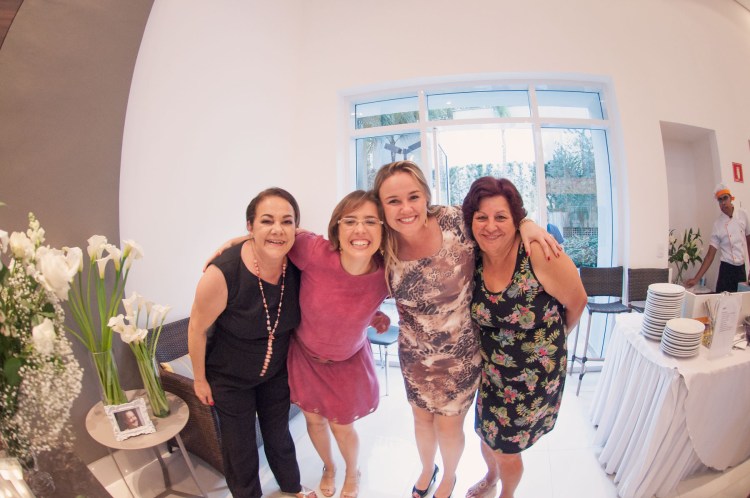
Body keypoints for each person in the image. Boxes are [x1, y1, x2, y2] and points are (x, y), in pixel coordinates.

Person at [372, 161, 560, 498]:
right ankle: (427, 470)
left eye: (413, 197)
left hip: (460, 354)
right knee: (421, 421)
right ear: (381, 206)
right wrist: (372, 312)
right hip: (414, 355)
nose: (405, 208)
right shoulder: (382, 242)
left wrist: (527, 223)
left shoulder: (454, 221)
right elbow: (356, 275)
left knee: (448, 427)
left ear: (426, 196)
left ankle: (449, 477)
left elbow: (495, 222)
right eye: (393, 201)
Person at [207, 190, 390, 498]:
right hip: (306, 358)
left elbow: (363, 298)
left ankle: (352, 472)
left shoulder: (387, 272)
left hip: (347, 361)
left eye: (371, 221)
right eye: (350, 221)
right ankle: (328, 467)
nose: (360, 230)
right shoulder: (315, 252)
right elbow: (279, 235)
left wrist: (376, 314)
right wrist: (237, 241)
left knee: (342, 426)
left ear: (383, 230)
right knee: (314, 422)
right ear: (337, 227)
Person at [461, 176, 586, 498]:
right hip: (491, 373)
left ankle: (507, 494)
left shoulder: (537, 253)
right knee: (485, 432)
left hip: (533, 377)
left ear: (516, 220)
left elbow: (577, 301)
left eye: (501, 217)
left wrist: (555, 341)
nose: (490, 226)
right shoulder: (473, 258)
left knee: (507, 449)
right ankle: (490, 477)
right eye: (482, 217)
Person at [187, 188, 316, 498]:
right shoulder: (222, 274)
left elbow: (321, 243)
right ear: (250, 226)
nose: (277, 229)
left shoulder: (298, 264)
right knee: (240, 447)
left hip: (275, 372)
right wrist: (200, 379)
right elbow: (196, 328)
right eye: (266, 221)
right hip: (229, 378)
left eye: (286, 221)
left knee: (279, 434)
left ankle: (291, 487)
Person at [685, 183, 750, 293]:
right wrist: (696, 279)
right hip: (726, 270)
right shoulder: (717, 224)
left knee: (740, 301)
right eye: (720, 200)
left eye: (725, 198)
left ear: (731, 198)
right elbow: (709, 256)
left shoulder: (743, 215)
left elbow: (749, 243)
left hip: (740, 269)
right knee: (722, 301)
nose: (723, 203)